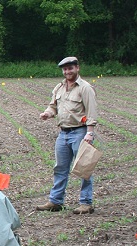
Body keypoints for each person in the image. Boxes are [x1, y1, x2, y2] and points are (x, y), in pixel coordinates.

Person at [36, 57, 99, 214]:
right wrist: (47, 114)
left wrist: (90, 133)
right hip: (63, 133)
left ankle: (86, 203)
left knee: (84, 168)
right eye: (64, 69)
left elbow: (92, 111)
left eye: (70, 68)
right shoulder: (59, 87)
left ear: (77, 68)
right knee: (60, 168)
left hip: (80, 132)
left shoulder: (85, 88)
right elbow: (53, 106)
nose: (67, 71)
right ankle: (56, 201)